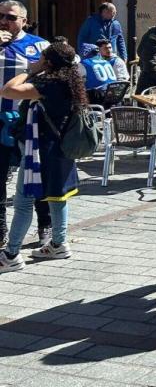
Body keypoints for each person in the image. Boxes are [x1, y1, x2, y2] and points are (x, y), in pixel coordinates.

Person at [0, 41, 89, 273]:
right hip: (62, 149)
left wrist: (30, 70)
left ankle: (10, 255)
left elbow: (8, 90)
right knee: (58, 197)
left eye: (42, 58)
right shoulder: (73, 79)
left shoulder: (47, 83)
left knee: (23, 201)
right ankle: (59, 244)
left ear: (48, 62)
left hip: (40, 151)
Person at [0, 0, 52, 250]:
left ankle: (46, 227)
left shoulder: (38, 45)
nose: (4, 21)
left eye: (10, 17)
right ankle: (0, 233)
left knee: (35, 177)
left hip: (27, 122)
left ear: (23, 20)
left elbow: (58, 72)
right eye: (0, 16)